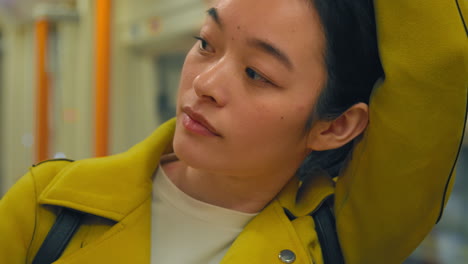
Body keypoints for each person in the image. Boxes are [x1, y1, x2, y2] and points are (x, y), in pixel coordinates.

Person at [0, 0, 466, 263]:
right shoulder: (47, 209)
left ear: (336, 125)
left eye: (257, 74)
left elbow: (437, 62)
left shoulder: (338, 239)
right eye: (206, 44)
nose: (204, 85)